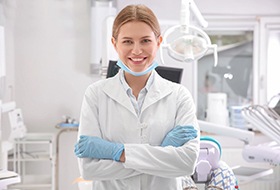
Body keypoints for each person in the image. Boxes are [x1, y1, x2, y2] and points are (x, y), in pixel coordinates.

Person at [74, 4, 200, 190]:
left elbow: (187, 163)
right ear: (114, 43)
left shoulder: (179, 96)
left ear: (158, 42)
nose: (137, 50)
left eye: (145, 41)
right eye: (127, 41)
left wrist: (118, 153)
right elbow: (89, 169)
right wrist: (162, 154)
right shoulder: (96, 94)